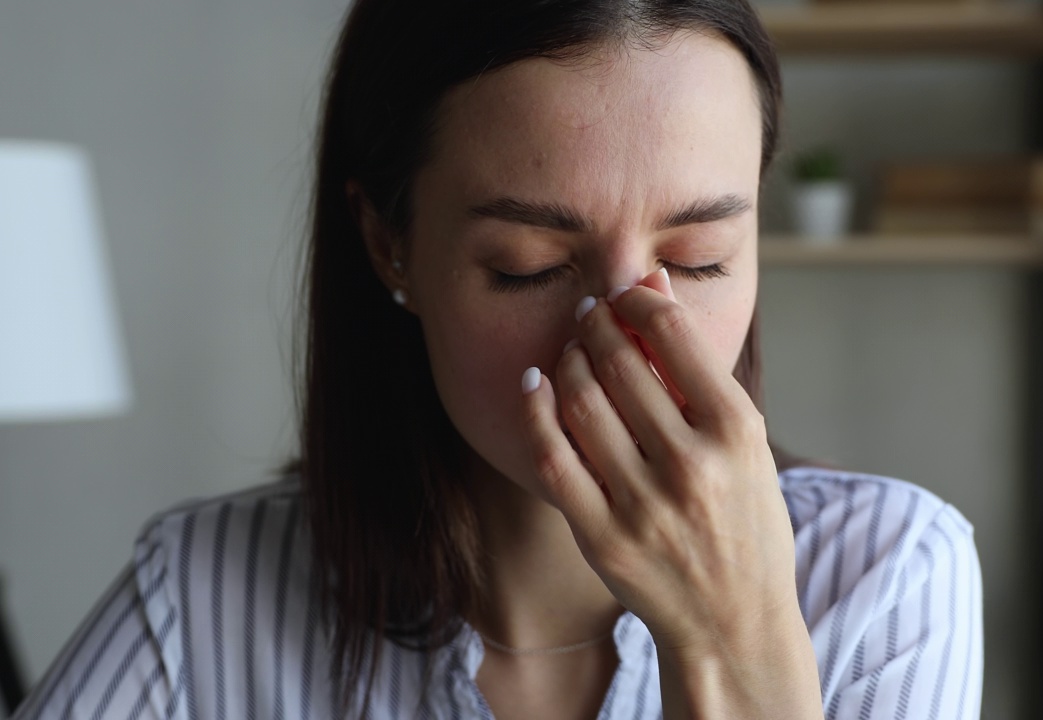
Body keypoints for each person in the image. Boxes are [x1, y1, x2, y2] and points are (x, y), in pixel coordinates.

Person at [14, 1, 983, 718]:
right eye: (531, 267)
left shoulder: (885, 580)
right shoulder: (201, 597)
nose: (629, 337)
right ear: (392, 244)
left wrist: (732, 644)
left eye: (700, 260)